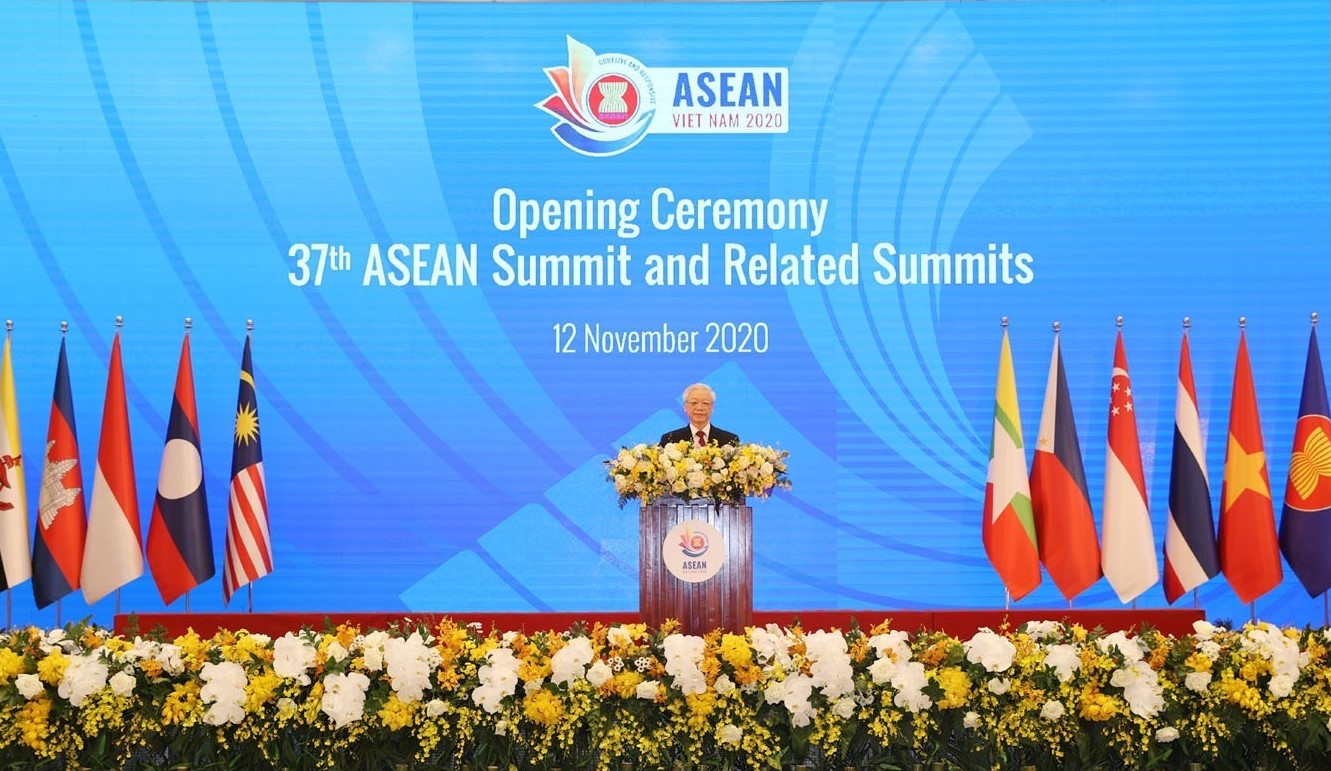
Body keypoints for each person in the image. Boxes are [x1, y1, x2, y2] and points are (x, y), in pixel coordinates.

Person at [660, 383, 739, 447]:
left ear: (712, 407)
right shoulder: (670, 440)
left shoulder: (730, 440)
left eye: (705, 403)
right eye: (694, 403)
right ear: (685, 407)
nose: (699, 408)